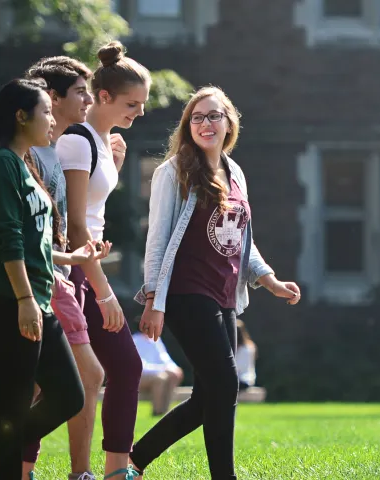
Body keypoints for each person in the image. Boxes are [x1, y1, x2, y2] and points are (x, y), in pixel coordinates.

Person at [130, 86, 303, 479]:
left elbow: (242, 238)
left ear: (229, 123)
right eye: (196, 117)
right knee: (225, 384)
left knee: (211, 394)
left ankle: (134, 461)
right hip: (185, 292)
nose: (205, 124)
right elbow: (156, 239)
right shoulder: (173, 172)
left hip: (225, 296)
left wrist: (270, 280)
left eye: (213, 116)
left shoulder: (235, 172)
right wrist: (154, 299)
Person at [0, 78, 110, 480]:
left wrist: (70, 256)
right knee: (14, 399)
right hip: (10, 299)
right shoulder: (1, 163)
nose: (52, 122)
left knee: (68, 395)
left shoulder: (23, 163)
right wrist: (25, 300)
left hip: (35, 297)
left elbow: (31, 240)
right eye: (45, 112)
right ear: (20, 116)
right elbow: (6, 237)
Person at [57, 40, 148, 480]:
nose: (141, 112)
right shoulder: (76, 142)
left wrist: (111, 159)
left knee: (124, 366)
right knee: (52, 380)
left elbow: (92, 215)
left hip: (85, 265)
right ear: (105, 97)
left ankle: (115, 470)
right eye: (133, 103)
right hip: (71, 269)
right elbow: (75, 228)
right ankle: (14, 467)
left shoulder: (100, 141)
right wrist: (105, 291)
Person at [20, 56, 106, 480]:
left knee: (46, 382)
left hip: (57, 273)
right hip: (44, 277)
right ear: (52, 98)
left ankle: (12, 467)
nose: (88, 99)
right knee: (88, 375)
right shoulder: (27, 154)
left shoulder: (56, 148)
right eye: (79, 92)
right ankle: (78, 473)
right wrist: (68, 261)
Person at [132, 332, 185, 416]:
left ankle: (166, 413)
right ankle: (157, 412)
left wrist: (173, 368)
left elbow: (164, 358)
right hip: (138, 378)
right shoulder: (135, 340)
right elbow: (141, 366)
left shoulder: (155, 340)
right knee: (160, 378)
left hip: (157, 373)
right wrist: (163, 369)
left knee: (174, 375)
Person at [234, 320, 257, 391]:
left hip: (241, 380)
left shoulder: (239, 348)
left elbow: (237, 367)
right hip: (249, 379)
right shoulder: (251, 345)